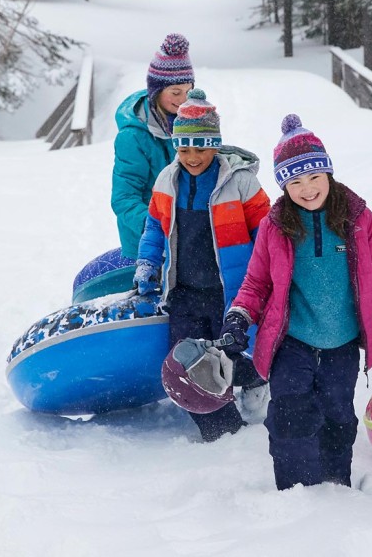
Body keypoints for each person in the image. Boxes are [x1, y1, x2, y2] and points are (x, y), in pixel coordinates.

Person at [218, 114, 372, 490]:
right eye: (295, 181)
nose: (307, 189)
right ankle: (297, 493)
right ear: (284, 185)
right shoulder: (275, 225)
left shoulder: (358, 219)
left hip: (342, 344)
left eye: (314, 177)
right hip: (292, 342)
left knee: (337, 416)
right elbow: (256, 283)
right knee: (289, 417)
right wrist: (238, 317)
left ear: (328, 174)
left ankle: (335, 490)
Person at [133, 88, 271, 442]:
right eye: (184, 148)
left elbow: (268, 232)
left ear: (216, 144)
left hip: (232, 292)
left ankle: (256, 381)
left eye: (201, 147)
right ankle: (223, 432)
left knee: (236, 354)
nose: (192, 156)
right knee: (190, 362)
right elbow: (154, 227)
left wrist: (271, 277)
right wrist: (148, 263)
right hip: (185, 292)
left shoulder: (239, 182)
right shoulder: (167, 180)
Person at [111, 33, 195, 261]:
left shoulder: (192, 122)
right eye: (175, 92)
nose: (183, 100)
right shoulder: (133, 137)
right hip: (147, 242)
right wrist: (158, 228)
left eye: (188, 91)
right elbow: (124, 198)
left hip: (187, 235)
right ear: (156, 92)